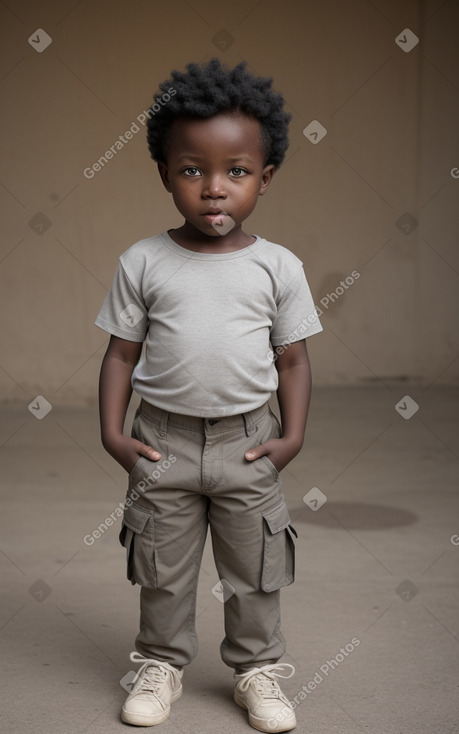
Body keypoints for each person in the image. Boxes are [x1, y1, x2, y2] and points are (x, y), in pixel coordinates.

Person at [94, 57, 323, 732]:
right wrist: (113, 433)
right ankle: (160, 664)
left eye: (236, 171)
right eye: (192, 169)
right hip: (159, 441)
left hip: (247, 443)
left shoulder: (278, 267)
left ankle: (257, 671)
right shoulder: (142, 261)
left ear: (265, 176)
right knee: (162, 566)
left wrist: (291, 436)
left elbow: (293, 360)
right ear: (165, 173)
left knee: (255, 565)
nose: (213, 189)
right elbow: (120, 354)